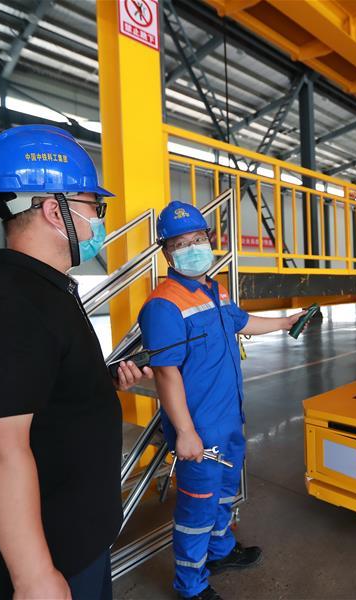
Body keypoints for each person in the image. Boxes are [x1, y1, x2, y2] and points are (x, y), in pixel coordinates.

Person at [0, 124, 152, 600]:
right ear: (52, 209)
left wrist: (100, 384)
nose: (98, 219)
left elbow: (40, 390)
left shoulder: (46, 291)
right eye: (92, 206)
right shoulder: (6, 307)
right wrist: (35, 576)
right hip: (50, 560)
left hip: (77, 539)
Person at [138, 201, 305, 600]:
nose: (193, 247)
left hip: (230, 417)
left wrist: (284, 322)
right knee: (197, 507)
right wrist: (184, 432)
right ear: (167, 252)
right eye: (182, 243)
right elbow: (165, 372)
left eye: (198, 239)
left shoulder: (216, 287)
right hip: (200, 428)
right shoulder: (163, 304)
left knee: (226, 492)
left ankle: (220, 551)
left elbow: (241, 321)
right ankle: (190, 586)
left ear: (209, 240)